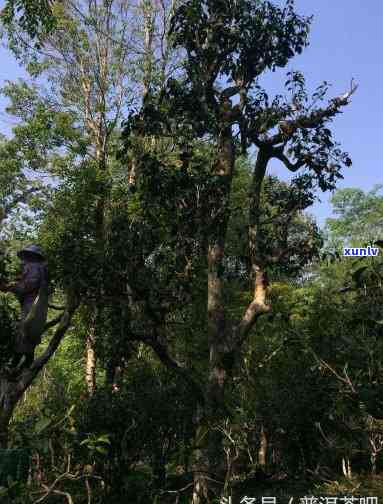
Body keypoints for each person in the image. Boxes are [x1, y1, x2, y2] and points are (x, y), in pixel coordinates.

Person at [0, 245, 48, 369]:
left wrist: (9, 287)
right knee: (29, 335)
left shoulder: (34, 268)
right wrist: (13, 283)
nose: (25, 259)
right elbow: (24, 281)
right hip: (36, 307)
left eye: (28, 256)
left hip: (32, 306)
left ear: (32, 257)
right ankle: (25, 362)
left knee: (24, 332)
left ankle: (14, 364)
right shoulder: (37, 268)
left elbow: (27, 286)